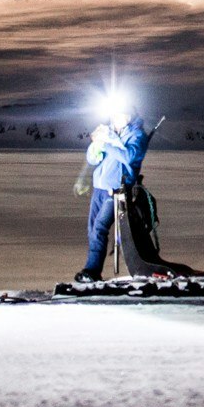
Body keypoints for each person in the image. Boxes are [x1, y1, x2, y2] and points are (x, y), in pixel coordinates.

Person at [75, 98, 153, 282]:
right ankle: (91, 270)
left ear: (127, 116)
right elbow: (94, 160)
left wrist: (109, 143)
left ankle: (92, 271)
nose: (115, 119)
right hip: (99, 189)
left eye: (118, 116)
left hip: (116, 191)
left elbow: (130, 156)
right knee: (92, 230)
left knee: (100, 228)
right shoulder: (111, 132)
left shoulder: (137, 136)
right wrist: (97, 146)